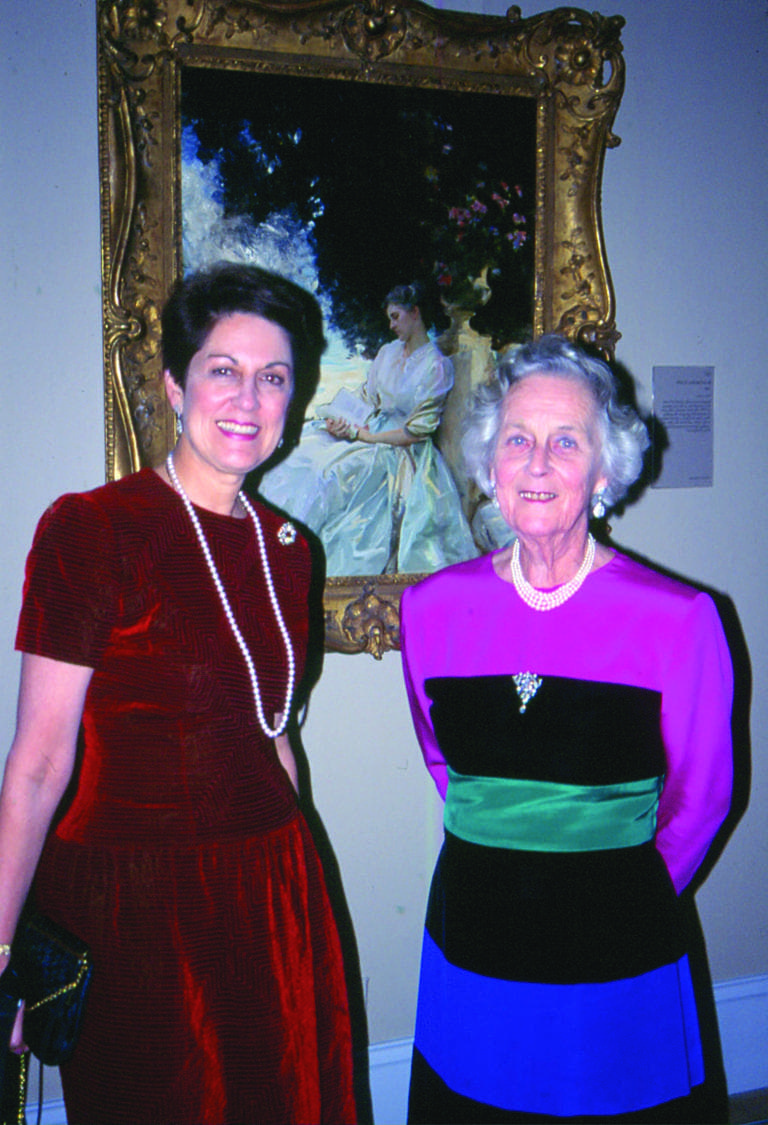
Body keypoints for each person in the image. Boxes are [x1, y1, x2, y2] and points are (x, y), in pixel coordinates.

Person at [0, 262, 357, 1124]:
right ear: (174, 384)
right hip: (133, 907)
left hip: (270, 885)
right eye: (222, 369)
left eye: (274, 376)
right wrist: (4, 947)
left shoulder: (289, 550)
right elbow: (39, 763)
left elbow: (272, 733)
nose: (248, 397)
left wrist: (299, 872)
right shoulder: (93, 528)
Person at [401, 334, 733, 1123]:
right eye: (518, 438)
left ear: (605, 469)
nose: (538, 462)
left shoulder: (680, 620)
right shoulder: (431, 610)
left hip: (616, 942)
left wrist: (612, 897)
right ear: (489, 464)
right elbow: (444, 760)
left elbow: (704, 796)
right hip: (473, 931)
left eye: (566, 440)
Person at [259, 282, 477, 574]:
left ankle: (299, 562)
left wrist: (363, 436)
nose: (392, 325)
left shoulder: (435, 366)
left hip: (401, 450)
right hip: (368, 429)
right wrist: (342, 420)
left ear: (415, 313)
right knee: (301, 454)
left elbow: (415, 432)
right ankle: (274, 554)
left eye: (396, 317)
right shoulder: (388, 352)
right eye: (389, 318)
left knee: (331, 474)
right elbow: (367, 398)